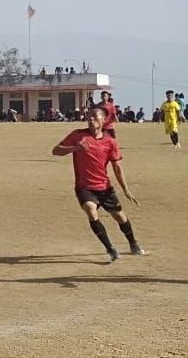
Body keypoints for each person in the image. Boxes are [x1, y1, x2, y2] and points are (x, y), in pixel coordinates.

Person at [52, 106, 145, 262]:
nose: (91, 119)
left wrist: (126, 190)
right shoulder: (78, 135)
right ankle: (110, 249)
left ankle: (133, 243)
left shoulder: (110, 142)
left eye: (95, 117)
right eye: (89, 116)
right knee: (90, 210)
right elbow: (55, 151)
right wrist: (75, 148)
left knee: (119, 217)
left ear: (104, 120)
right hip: (84, 187)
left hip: (104, 187)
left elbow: (117, 168)